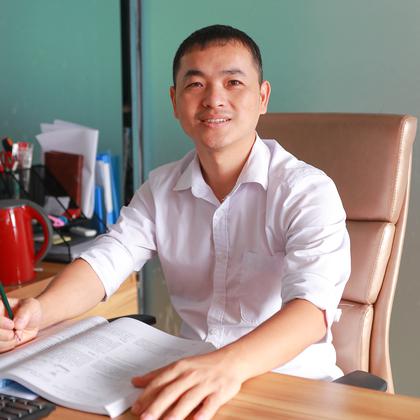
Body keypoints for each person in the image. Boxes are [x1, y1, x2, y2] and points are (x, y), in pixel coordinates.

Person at [0, 25, 350, 420]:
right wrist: (37, 312)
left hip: (290, 387)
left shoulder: (306, 191)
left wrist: (225, 367)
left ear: (262, 97)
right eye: (196, 84)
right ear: (175, 101)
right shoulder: (161, 188)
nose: (214, 99)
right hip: (189, 381)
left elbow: (311, 309)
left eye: (233, 82)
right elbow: (106, 261)